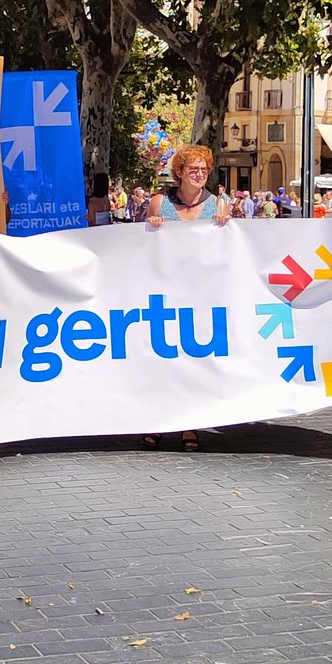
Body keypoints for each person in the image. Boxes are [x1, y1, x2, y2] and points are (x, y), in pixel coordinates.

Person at [143, 145, 229, 450]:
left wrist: (225, 227)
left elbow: (230, 248)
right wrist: (152, 226)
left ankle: (189, 425)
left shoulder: (218, 204)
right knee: (165, 360)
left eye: (204, 169)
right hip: (166, 293)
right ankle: (160, 421)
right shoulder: (159, 203)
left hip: (203, 295)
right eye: (193, 169)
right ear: (179, 172)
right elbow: (143, 247)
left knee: (194, 360)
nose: (200, 174)